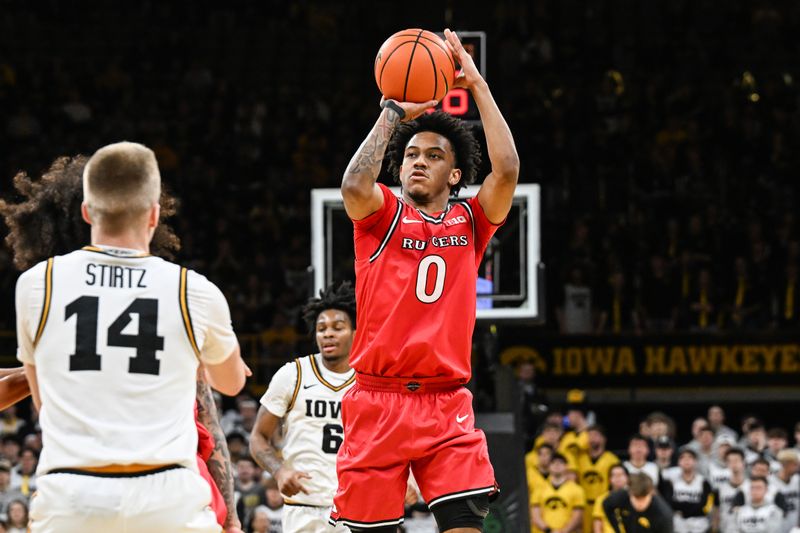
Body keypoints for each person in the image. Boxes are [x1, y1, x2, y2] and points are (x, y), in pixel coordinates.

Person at [330, 28, 519, 533]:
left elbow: (507, 169)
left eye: (434, 156)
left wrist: (476, 83)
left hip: (444, 401)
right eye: (412, 154)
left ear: (455, 175)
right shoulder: (381, 214)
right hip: (376, 397)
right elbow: (353, 183)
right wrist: (393, 112)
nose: (418, 161)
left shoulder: (471, 223)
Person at [0, 153, 244, 532]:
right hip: (166, 493)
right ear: (154, 214)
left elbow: (41, 401)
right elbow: (231, 385)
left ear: (86, 212)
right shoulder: (192, 290)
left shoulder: (35, 284)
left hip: (72, 492)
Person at [250, 282, 356, 532]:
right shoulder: (293, 374)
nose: (327, 334)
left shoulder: (370, 380)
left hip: (357, 506)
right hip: (303, 506)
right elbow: (258, 437)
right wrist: (279, 471)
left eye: (337, 328)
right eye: (321, 329)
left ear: (355, 331)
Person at [660, 447, 713, 533]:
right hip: (678, 528)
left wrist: (682, 510)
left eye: (690, 457)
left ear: (695, 462)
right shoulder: (671, 482)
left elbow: (707, 507)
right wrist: (695, 507)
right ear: (678, 462)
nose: (686, 460)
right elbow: (668, 504)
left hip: (700, 528)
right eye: (682, 458)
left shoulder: (704, 482)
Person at [578, 425, 620, 532]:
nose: (592, 438)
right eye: (590, 435)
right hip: (584, 505)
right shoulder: (579, 458)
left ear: (603, 439)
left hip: (603, 504)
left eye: (596, 435)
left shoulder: (612, 460)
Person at [531, 453, 586, 533]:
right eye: (553, 462)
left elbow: (577, 517)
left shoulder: (577, 490)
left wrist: (563, 531)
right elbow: (535, 515)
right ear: (549, 466)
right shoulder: (539, 489)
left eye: (560, 462)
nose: (557, 465)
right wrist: (548, 530)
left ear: (566, 466)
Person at [601, 473, 673, 533]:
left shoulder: (663, 514)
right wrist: (617, 528)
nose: (640, 503)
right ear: (629, 493)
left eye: (644, 498)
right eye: (636, 498)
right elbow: (606, 504)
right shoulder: (621, 497)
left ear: (651, 493)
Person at [593, 464, 629, 533]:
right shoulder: (601, 499)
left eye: (621, 475)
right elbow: (597, 524)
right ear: (609, 479)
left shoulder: (634, 498)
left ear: (627, 478)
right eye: (614, 475)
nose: (618, 478)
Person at [770, 449, 800, 533]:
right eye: (795, 464)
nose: (797, 467)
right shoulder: (770, 481)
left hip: (795, 526)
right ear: (785, 464)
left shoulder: (797, 480)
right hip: (776, 527)